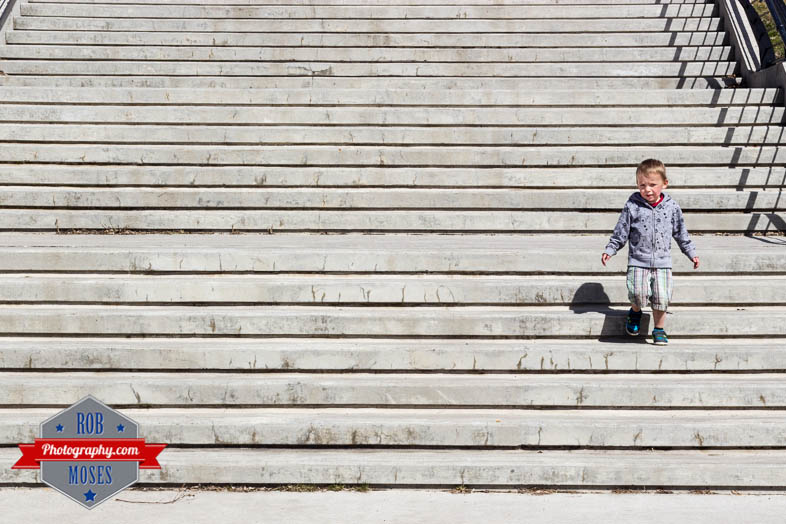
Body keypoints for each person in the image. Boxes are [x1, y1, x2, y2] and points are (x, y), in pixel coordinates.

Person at [601, 159, 699, 345]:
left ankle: (659, 329)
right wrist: (611, 248)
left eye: (653, 185)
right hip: (638, 260)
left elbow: (681, 232)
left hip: (662, 262)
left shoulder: (671, 207)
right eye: (642, 185)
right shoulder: (632, 206)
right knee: (637, 293)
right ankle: (635, 312)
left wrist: (691, 252)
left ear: (665, 183)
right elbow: (622, 230)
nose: (647, 190)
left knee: (661, 298)